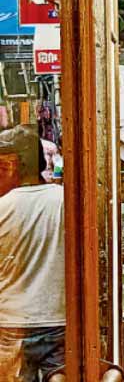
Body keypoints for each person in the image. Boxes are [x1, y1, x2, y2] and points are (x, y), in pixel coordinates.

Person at [0, 126, 65, 381]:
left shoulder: (3, 207)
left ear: (12, 166)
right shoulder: (65, 199)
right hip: (59, 320)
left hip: (11, 325)